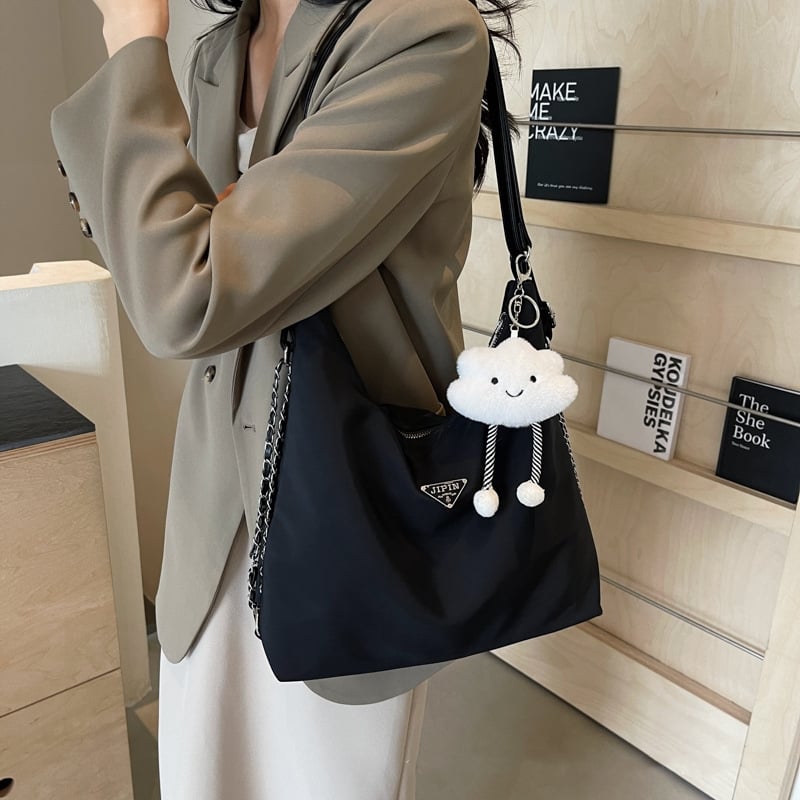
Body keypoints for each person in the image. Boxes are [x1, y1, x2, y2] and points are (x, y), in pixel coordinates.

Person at [50, 0, 522, 796]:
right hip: (212, 515)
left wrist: (130, 43)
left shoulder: (421, 28)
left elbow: (184, 293)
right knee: (202, 778)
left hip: (346, 510)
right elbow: (165, 251)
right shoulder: (223, 50)